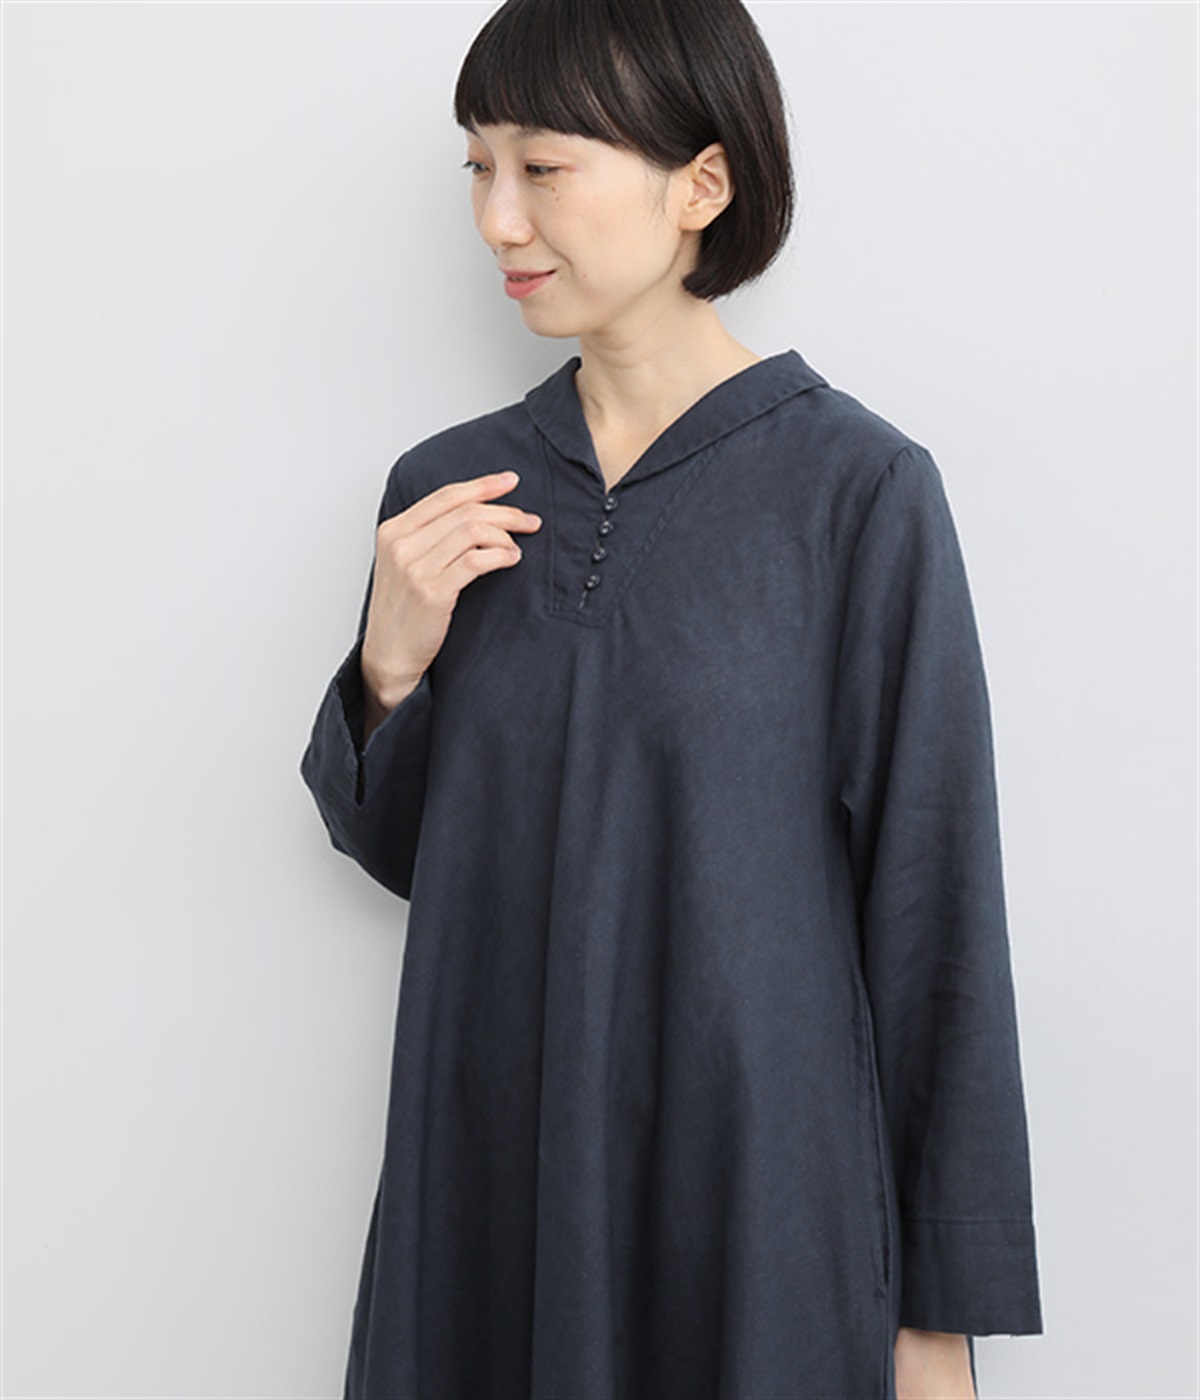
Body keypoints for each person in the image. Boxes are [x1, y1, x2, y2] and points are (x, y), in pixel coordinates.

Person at [300, 1, 1044, 1396]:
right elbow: (413, 858)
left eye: (543, 166)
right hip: (489, 1187)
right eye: (478, 167)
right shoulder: (446, 495)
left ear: (703, 184)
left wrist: (939, 1319)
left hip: (756, 1210)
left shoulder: (860, 494)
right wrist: (390, 666)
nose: (499, 220)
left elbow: (935, 910)